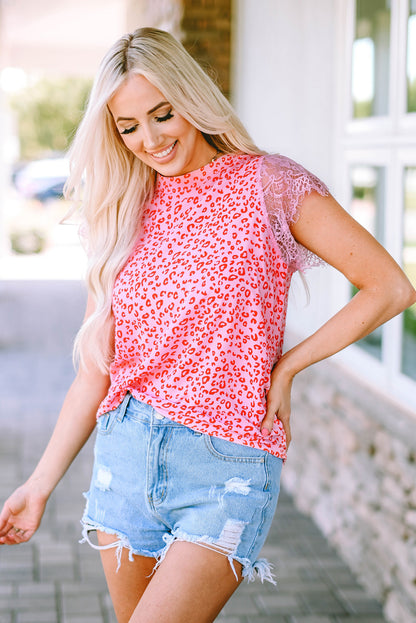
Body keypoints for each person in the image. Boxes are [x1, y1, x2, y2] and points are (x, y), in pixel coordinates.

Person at [0, 27, 415, 623]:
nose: (150, 138)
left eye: (163, 114)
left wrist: (289, 366)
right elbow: (96, 376)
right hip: (126, 456)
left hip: (226, 467)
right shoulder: (123, 209)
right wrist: (38, 485)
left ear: (191, 99)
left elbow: (390, 287)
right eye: (129, 126)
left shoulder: (268, 184)